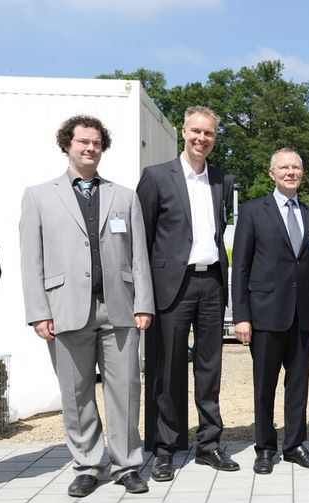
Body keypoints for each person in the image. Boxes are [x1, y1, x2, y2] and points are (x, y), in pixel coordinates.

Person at [19, 115, 153, 496]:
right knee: (76, 393)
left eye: (96, 142)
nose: (90, 148)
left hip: (120, 308)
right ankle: (88, 465)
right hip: (64, 310)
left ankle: (127, 464)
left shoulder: (124, 196)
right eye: (83, 142)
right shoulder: (39, 196)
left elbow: (138, 255)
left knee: (126, 389)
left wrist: (144, 303)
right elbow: (31, 260)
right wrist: (39, 312)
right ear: (67, 144)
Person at [137, 105, 237, 481]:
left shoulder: (222, 181)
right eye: (196, 131)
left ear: (214, 138)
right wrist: (143, 297)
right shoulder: (156, 177)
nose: (202, 138)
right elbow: (142, 242)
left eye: (209, 133)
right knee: (169, 369)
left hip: (211, 283)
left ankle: (209, 443)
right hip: (170, 288)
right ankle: (166, 447)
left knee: (210, 368)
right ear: (184, 132)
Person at [232, 148, 309, 475]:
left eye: (296, 167)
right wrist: (241, 315)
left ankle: (295, 445)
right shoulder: (253, 212)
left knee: (298, 384)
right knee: (265, 385)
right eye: (284, 167)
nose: (291, 172)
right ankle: (265, 447)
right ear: (272, 173)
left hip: (302, 317)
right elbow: (240, 268)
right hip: (265, 314)